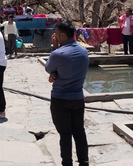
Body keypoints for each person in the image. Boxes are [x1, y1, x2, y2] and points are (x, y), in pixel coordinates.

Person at [45, 19, 89, 166]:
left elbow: (48, 68)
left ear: (63, 36)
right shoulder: (84, 51)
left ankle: (67, 163)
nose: (55, 36)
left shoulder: (58, 53)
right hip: (77, 98)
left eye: (56, 33)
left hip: (61, 99)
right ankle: (84, 162)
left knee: (65, 135)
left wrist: (54, 48)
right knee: (79, 132)